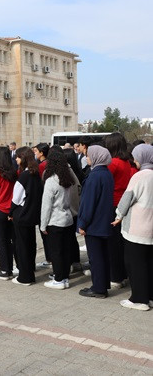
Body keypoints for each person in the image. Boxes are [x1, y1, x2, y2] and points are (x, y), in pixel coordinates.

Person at [112, 144, 153, 311]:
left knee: (134, 264)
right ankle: (149, 296)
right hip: (151, 229)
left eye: (135, 156)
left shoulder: (140, 176)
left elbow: (127, 199)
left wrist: (118, 215)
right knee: (149, 263)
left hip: (137, 228)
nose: (133, 160)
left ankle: (139, 299)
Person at [78, 145, 115, 299]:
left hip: (94, 223)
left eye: (89, 155)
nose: (87, 158)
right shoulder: (106, 173)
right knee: (103, 255)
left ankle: (98, 288)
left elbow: (88, 203)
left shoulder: (94, 176)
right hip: (104, 221)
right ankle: (103, 284)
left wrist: (82, 223)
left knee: (95, 257)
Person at [40, 150, 76, 290]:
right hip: (67, 218)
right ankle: (64, 277)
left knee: (56, 252)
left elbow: (46, 206)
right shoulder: (66, 178)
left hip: (55, 220)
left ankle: (59, 279)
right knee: (65, 250)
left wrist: (43, 225)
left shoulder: (51, 181)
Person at [10, 146, 44, 285]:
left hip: (22, 215)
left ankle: (25, 277)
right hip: (32, 215)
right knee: (30, 245)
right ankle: (30, 271)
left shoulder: (24, 176)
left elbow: (16, 198)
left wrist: (11, 212)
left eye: (18, 157)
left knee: (22, 246)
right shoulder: (35, 173)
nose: (16, 159)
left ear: (23, 158)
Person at [105, 132, 134, 289]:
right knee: (121, 243)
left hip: (113, 204)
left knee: (113, 244)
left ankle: (116, 276)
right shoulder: (126, 162)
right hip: (123, 204)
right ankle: (122, 274)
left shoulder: (114, 163)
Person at [0, 147, 18, 281]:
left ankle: (4, 269)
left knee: (1, 241)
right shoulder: (14, 173)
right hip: (11, 210)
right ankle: (11, 268)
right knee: (10, 240)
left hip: (0, 209)